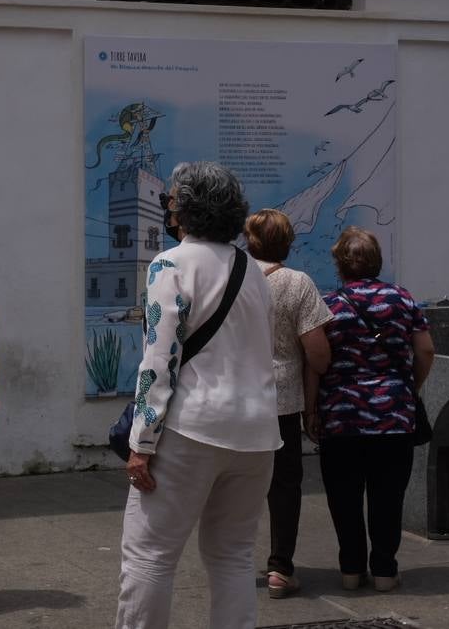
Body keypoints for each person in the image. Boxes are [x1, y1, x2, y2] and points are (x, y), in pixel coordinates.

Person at [118, 162, 278, 629]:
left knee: (149, 556)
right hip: (256, 432)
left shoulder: (170, 264)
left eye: (172, 200)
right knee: (232, 555)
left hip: (192, 427)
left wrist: (141, 443)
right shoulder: (251, 270)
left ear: (184, 210)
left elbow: (158, 358)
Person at [312, 227, 435, 593]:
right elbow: (426, 350)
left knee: (343, 497)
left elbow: (317, 358)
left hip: (341, 416)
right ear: (376, 261)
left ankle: (350, 570)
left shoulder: (329, 305)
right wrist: (409, 387)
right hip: (394, 415)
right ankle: (384, 570)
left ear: (340, 265)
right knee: (388, 497)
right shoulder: (403, 299)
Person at [243, 208, 333, 599]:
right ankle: (280, 567)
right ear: (288, 243)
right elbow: (318, 355)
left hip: (232, 401)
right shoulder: (298, 284)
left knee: (232, 483)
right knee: (283, 487)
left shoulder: (233, 280)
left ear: (249, 241)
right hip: (281, 402)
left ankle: (229, 564)